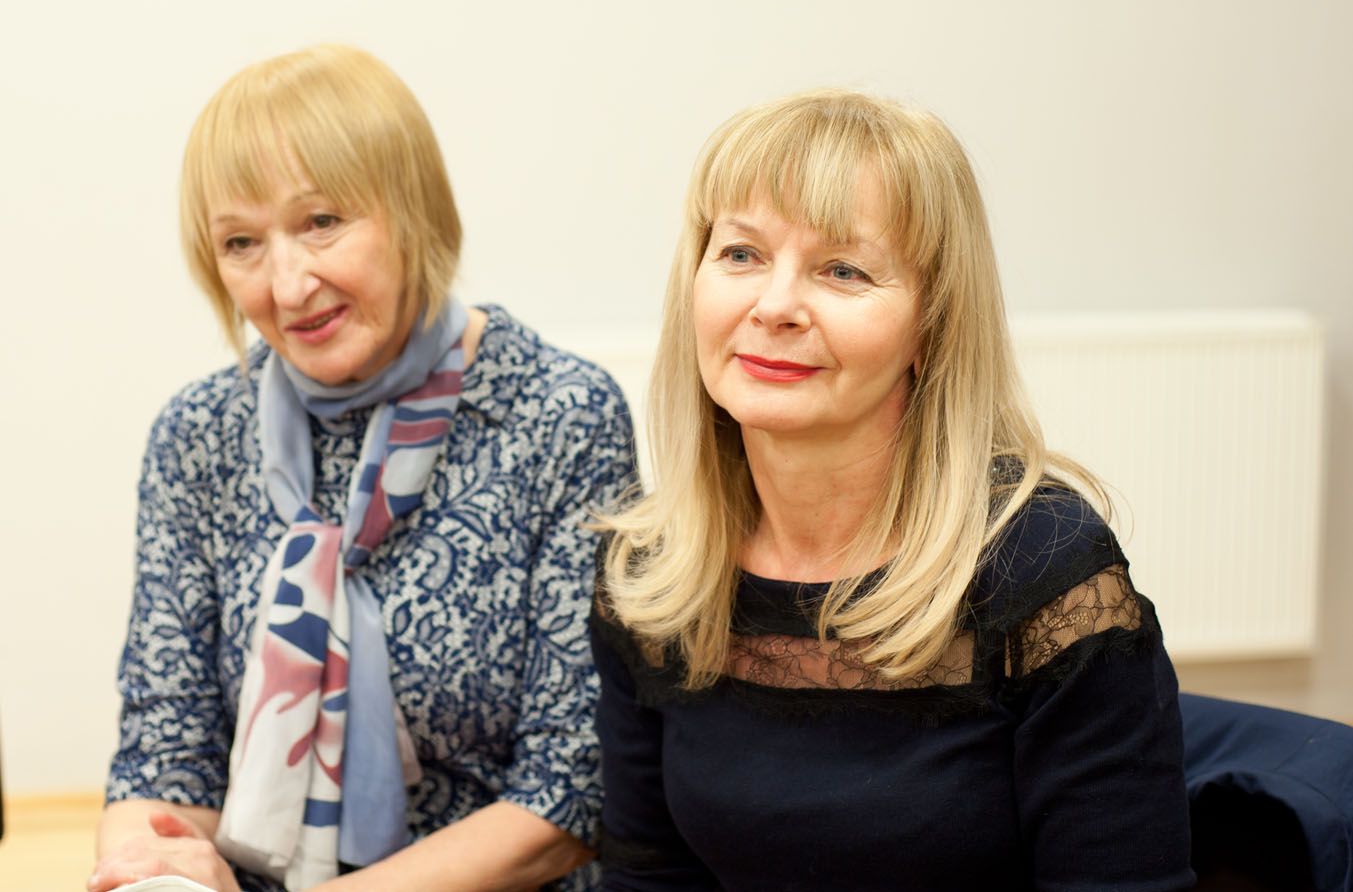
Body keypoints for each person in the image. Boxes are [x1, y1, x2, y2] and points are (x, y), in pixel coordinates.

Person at [591, 90, 1195, 890]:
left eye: (842, 270)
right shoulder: (650, 569)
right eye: (740, 254)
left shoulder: (1042, 567)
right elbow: (650, 876)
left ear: (931, 323)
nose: (774, 306)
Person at [91, 45, 635, 892]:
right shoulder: (198, 435)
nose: (287, 285)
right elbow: (165, 756)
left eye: (321, 222)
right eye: (241, 242)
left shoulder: (559, 414)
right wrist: (152, 871)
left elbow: (568, 799)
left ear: (413, 209)